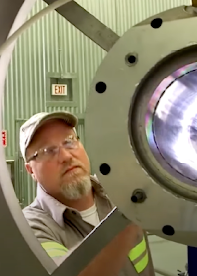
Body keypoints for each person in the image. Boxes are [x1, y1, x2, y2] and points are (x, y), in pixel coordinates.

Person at [20, 111, 154, 276]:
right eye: (48, 150)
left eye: (69, 142)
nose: (66, 156)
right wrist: (130, 206)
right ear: (30, 170)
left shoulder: (117, 189)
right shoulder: (29, 228)